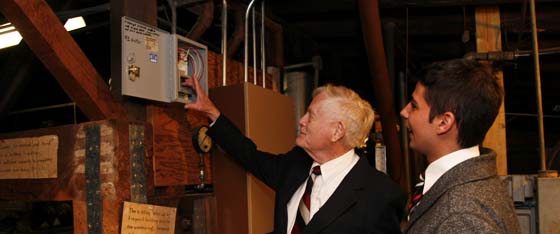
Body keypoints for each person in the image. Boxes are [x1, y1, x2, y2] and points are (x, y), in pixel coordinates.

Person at [184, 77, 406, 234]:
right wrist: (211, 112)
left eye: (312, 115)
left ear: (337, 131)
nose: (301, 120)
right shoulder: (296, 165)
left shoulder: (380, 195)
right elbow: (250, 156)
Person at [400, 58, 521, 233]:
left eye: (414, 105)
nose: (404, 112)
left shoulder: (462, 216)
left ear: (444, 122)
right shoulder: (469, 185)